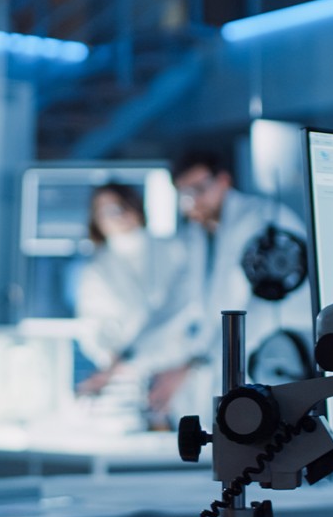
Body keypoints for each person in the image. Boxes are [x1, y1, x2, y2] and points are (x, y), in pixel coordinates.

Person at [148, 150, 313, 427]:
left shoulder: (267, 220)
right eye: (184, 194)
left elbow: (265, 310)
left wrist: (194, 365)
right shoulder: (197, 235)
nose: (192, 202)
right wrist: (130, 360)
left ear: (223, 180)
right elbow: (178, 301)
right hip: (223, 361)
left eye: (199, 189)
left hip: (275, 355)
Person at [73, 183, 186, 415]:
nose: (117, 216)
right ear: (96, 220)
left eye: (121, 207)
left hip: (181, 369)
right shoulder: (97, 269)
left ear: (135, 208)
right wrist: (114, 363)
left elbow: (188, 308)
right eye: (106, 211)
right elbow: (92, 327)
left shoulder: (173, 249)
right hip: (127, 375)